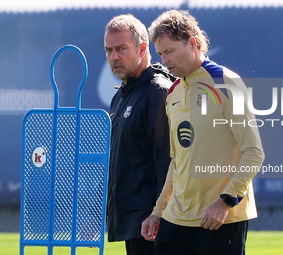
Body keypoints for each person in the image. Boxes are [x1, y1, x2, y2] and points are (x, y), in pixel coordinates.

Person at [141, 10, 265, 255]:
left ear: (193, 43)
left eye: (170, 51)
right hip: (175, 220)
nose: (164, 60)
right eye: (160, 54)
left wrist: (225, 202)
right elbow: (177, 162)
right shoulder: (173, 93)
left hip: (218, 220)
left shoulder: (227, 83)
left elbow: (254, 152)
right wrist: (158, 212)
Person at [104, 14, 175, 255]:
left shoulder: (157, 91)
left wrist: (159, 216)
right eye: (109, 50)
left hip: (153, 226)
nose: (114, 57)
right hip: (132, 223)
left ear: (143, 48)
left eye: (121, 49)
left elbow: (167, 162)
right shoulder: (122, 94)